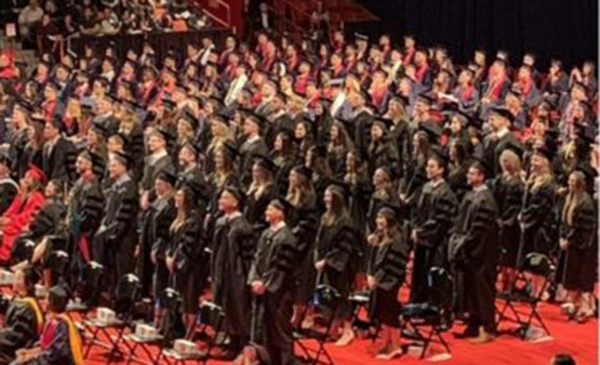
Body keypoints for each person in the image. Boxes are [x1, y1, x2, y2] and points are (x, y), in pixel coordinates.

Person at [451, 161, 499, 343]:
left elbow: (480, 231)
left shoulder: (486, 199)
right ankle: (474, 324)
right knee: (472, 290)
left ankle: (488, 328)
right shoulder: (472, 195)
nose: (468, 177)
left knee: (482, 291)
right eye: (468, 173)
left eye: (472, 174)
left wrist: (464, 243)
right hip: (471, 253)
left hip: (482, 254)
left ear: (481, 176)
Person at [246, 198, 298, 365]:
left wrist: (266, 285)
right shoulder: (266, 233)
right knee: (263, 329)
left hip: (280, 293)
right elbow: (256, 259)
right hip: (263, 289)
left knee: (280, 331)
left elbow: (281, 268)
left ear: (280, 213)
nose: (266, 212)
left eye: (270, 209)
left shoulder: (287, 238)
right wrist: (254, 279)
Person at [211, 186, 255, 359]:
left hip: (238, 274)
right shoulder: (221, 222)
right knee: (226, 306)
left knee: (238, 308)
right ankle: (231, 339)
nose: (221, 201)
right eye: (220, 198)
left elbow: (248, 256)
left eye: (225, 198)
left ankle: (241, 345)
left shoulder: (243, 226)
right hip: (222, 272)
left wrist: (246, 278)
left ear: (236, 202)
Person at [410, 151, 457, 303]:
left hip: (436, 241)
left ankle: (434, 309)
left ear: (441, 169)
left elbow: (441, 220)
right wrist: (415, 228)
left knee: (434, 274)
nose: (428, 170)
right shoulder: (426, 187)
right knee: (419, 273)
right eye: (427, 167)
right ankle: (418, 304)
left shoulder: (446, 193)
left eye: (432, 167)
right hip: (422, 239)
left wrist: (421, 231)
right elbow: (416, 211)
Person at [314, 183, 357, 346]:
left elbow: (344, 247)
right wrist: (318, 258)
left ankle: (347, 330)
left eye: (328, 196)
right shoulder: (326, 217)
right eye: (325, 195)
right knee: (329, 296)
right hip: (326, 263)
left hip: (342, 266)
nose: (325, 199)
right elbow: (318, 241)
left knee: (341, 296)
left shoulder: (346, 221)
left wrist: (327, 261)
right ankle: (333, 328)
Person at [366, 206, 409, 360]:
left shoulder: (396, 239)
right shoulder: (380, 236)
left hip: (389, 282)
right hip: (380, 282)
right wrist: (370, 276)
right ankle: (388, 343)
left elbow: (393, 265)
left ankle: (396, 346)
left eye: (382, 218)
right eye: (377, 217)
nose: (378, 221)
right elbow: (374, 260)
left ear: (389, 221)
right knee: (384, 314)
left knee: (390, 313)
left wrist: (376, 279)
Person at [93, 152, 139, 296]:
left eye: (113, 165)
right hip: (112, 236)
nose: (110, 168)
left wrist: (110, 233)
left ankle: (123, 307)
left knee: (122, 272)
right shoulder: (116, 186)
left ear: (123, 167)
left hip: (123, 238)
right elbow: (109, 212)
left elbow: (124, 217)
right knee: (112, 272)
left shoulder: (129, 187)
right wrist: (103, 226)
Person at [558, 171, 597, 323]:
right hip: (571, 244)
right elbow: (564, 222)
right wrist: (562, 237)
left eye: (574, 181)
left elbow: (581, 226)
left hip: (582, 246)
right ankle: (575, 306)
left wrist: (569, 239)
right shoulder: (570, 197)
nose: (570, 183)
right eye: (570, 180)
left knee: (580, 278)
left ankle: (584, 309)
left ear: (581, 183)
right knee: (571, 277)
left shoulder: (585, 201)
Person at [12, 285, 84, 365]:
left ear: (53, 302)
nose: (45, 301)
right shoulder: (53, 320)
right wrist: (29, 353)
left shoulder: (63, 326)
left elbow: (54, 356)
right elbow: (46, 347)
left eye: (47, 299)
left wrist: (32, 359)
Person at [0, 165, 46, 263]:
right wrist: (5, 217)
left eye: (29, 178)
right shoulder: (24, 193)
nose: (25, 180)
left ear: (35, 181)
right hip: (15, 222)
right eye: (25, 177)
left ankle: (4, 259)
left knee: (6, 232)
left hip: (22, 225)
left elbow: (30, 216)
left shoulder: (38, 197)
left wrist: (11, 220)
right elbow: (13, 209)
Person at [0, 268, 43, 364]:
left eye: (18, 278)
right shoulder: (20, 299)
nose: (14, 281)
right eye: (14, 277)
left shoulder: (28, 307)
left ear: (27, 283)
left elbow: (17, 336)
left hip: (17, 348)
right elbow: (8, 307)